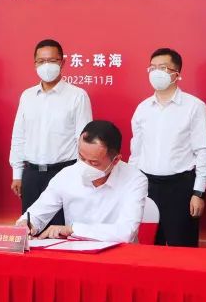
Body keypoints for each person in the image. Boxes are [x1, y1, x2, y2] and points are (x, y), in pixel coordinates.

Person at [128, 48, 206, 247]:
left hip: (180, 188)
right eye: (153, 68)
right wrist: (130, 187)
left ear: (177, 73)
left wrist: (198, 193)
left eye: (163, 68)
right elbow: (136, 153)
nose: (156, 72)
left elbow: (203, 151)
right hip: (147, 187)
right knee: (147, 248)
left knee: (182, 249)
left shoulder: (194, 107)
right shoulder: (142, 108)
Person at [16, 120, 147, 243]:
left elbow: (126, 232)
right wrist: (27, 224)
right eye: (82, 158)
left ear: (116, 160)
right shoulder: (67, 175)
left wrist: (72, 230)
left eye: (94, 163)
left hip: (119, 254)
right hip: (76, 252)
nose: (85, 166)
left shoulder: (134, 179)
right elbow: (37, 213)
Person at [9, 39, 92, 227]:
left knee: (60, 230)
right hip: (31, 174)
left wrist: (80, 177)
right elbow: (19, 135)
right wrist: (17, 174)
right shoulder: (27, 96)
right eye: (41, 61)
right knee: (30, 230)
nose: (46, 66)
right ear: (35, 64)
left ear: (63, 62)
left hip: (63, 173)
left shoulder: (77, 96)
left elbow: (84, 141)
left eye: (52, 61)